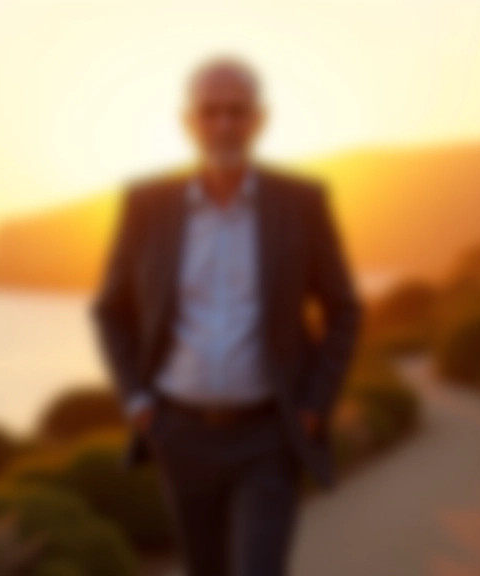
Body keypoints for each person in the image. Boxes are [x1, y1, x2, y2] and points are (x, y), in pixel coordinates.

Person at [92, 56, 362, 576]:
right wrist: (137, 401)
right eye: (210, 111)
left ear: (258, 119)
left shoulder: (301, 202)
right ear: (188, 121)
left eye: (236, 112)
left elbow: (343, 309)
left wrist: (313, 405)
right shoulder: (146, 204)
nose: (223, 124)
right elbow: (111, 310)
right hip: (179, 434)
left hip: (267, 436)